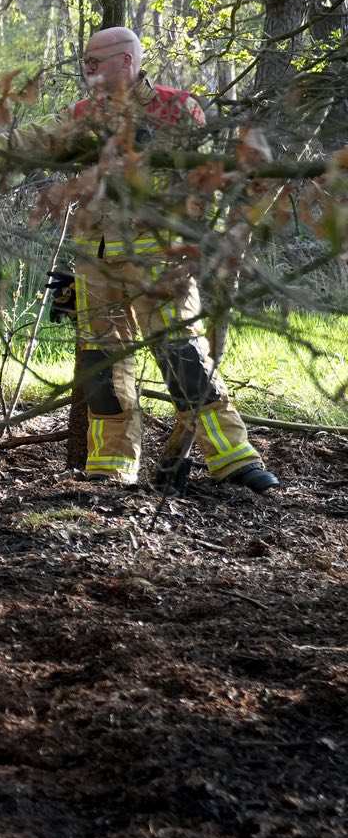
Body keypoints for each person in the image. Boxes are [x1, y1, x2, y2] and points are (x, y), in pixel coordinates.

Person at [58, 26, 279, 491]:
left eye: (95, 62)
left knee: (184, 357)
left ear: (126, 61)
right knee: (102, 370)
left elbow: (192, 176)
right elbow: (43, 143)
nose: (87, 70)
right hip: (96, 262)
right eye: (85, 62)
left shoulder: (177, 107)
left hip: (159, 260)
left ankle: (234, 458)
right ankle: (111, 464)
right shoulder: (81, 114)